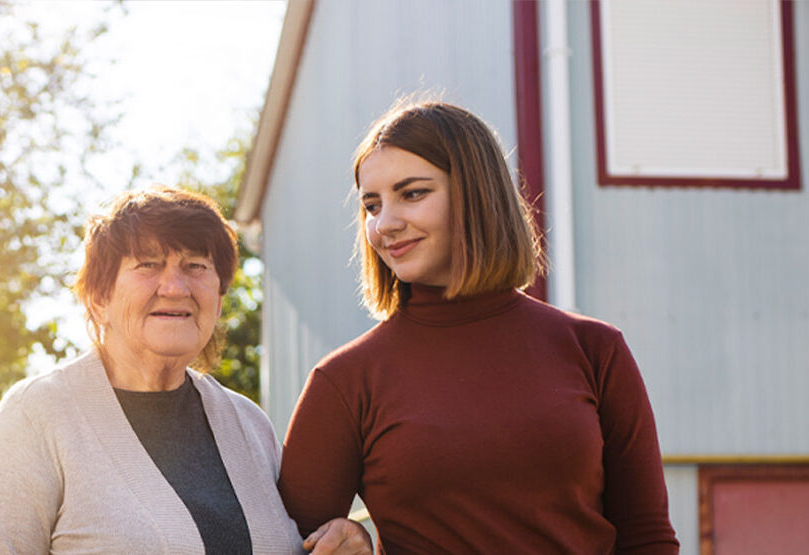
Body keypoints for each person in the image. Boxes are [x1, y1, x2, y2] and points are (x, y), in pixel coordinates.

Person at [278, 100, 679, 553]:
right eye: (371, 205)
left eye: (412, 193)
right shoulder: (345, 381)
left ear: (476, 193)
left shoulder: (595, 349)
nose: (384, 224)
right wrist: (354, 540)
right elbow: (284, 542)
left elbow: (647, 536)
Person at [0, 187, 369, 554]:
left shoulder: (249, 425)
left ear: (219, 296)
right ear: (99, 298)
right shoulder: (36, 415)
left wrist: (349, 540)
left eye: (196, 266)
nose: (175, 287)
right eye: (148, 265)